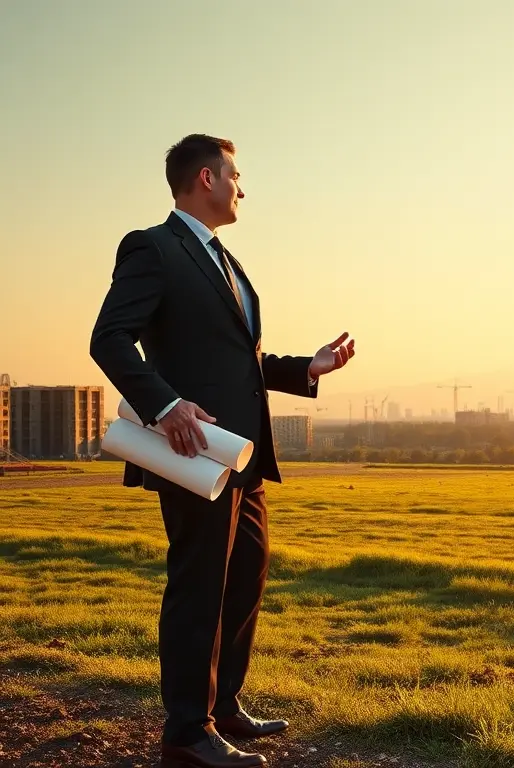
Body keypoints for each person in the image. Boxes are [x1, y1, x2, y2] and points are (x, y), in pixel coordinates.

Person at [90, 134, 356, 768]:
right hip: (194, 451)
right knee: (199, 586)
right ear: (206, 178)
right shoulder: (153, 248)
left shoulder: (225, 261)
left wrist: (306, 368)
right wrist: (166, 406)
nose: (243, 187)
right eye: (236, 175)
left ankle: (222, 707)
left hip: (245, 455)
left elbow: (241, 361)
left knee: (244, 579)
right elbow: (109, 340)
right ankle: (186, 733)